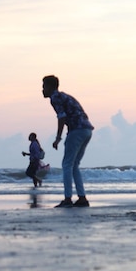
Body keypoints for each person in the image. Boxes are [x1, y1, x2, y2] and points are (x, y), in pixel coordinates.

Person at [42, 75, 93, 207]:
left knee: (67, 164)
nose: (42, 90)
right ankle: (82, 198)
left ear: (50, 87)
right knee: (74, 165)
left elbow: (61, 117)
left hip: (77, 130)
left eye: (43, 87)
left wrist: (58, 138)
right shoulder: (64, 96)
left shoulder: (55, 97)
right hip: (86, 130)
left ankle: (68, 199)